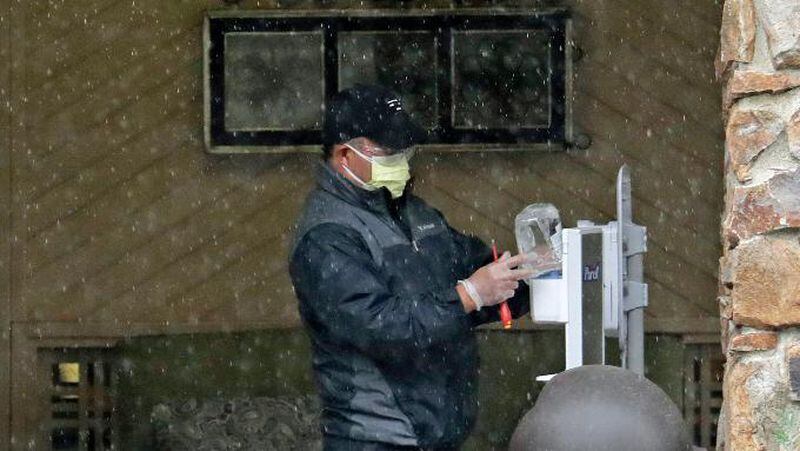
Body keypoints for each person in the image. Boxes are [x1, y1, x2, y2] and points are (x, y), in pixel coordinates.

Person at [289, 84, 533, 450]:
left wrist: (527, 275)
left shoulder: (414, 213)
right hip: (377, 436)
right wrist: (469, 295)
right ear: (344, 155)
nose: (402, 159)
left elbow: (471, 267)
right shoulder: (326, 236)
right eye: (389, 151)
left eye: (405, 149)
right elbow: (382, 327)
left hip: (439, 432)